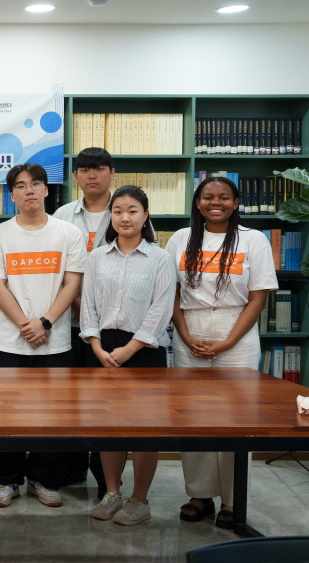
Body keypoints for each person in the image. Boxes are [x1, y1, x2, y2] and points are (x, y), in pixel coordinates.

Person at [166, 176, 277, 530]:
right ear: (197, 203)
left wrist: (228, 342)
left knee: (236, 419)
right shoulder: (180, 239)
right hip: (190, 331)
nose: (216, 203)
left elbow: (258, 297)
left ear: (236, 202)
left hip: (237, 334)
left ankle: (232, 497)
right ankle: (200, 494)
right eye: (208, 197)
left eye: (224, 197)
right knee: (193, 419)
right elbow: (170, 294)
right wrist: (184, 336)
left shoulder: (253, 239)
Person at [0, 162, 87, 509]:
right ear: (12, 194)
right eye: (21, 185)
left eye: (36, 183)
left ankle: (45, 479)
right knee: (6, 414)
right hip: (9, 341)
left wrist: (45, 322)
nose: (29, 190)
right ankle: (5, 480)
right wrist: (26, 325)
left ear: (46, 189)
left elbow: (72, 282)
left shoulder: (67, 233)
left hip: (54, 341)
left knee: (52, 415)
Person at [80, 185, 175, 526]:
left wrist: (130, 349)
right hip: (103, 348)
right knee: (109, 427)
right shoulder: (96, 257)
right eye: (118, 211)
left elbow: (161, 309)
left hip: (144, 350)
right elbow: (88, 305)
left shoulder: (160, 259)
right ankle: (112, 492)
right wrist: (96, 346)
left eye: (133, 211)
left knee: (145, 429)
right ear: (111, 216)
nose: (125, 217)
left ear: (145, 216)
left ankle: (140, 499)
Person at [53, 147, 118, 493]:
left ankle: (107, 477)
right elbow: (54, 268)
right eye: (85, 169)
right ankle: (71, 469)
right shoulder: (63, 215)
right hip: (70, 323)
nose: (92, 175)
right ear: (75, 175)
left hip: (113, 327)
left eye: (100, 168)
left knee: (107, 404)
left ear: (112, 173)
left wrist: (93, 311)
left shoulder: (125, 210)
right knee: (71, 400)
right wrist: (77, 305)